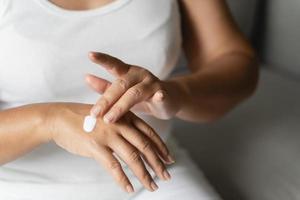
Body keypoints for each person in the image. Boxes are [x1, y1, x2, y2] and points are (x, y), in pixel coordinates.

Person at [0, 0, 258, 199]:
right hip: (19, 184)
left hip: (153, 178)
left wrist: (176, 93)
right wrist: (49, 121)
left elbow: (235, 61)